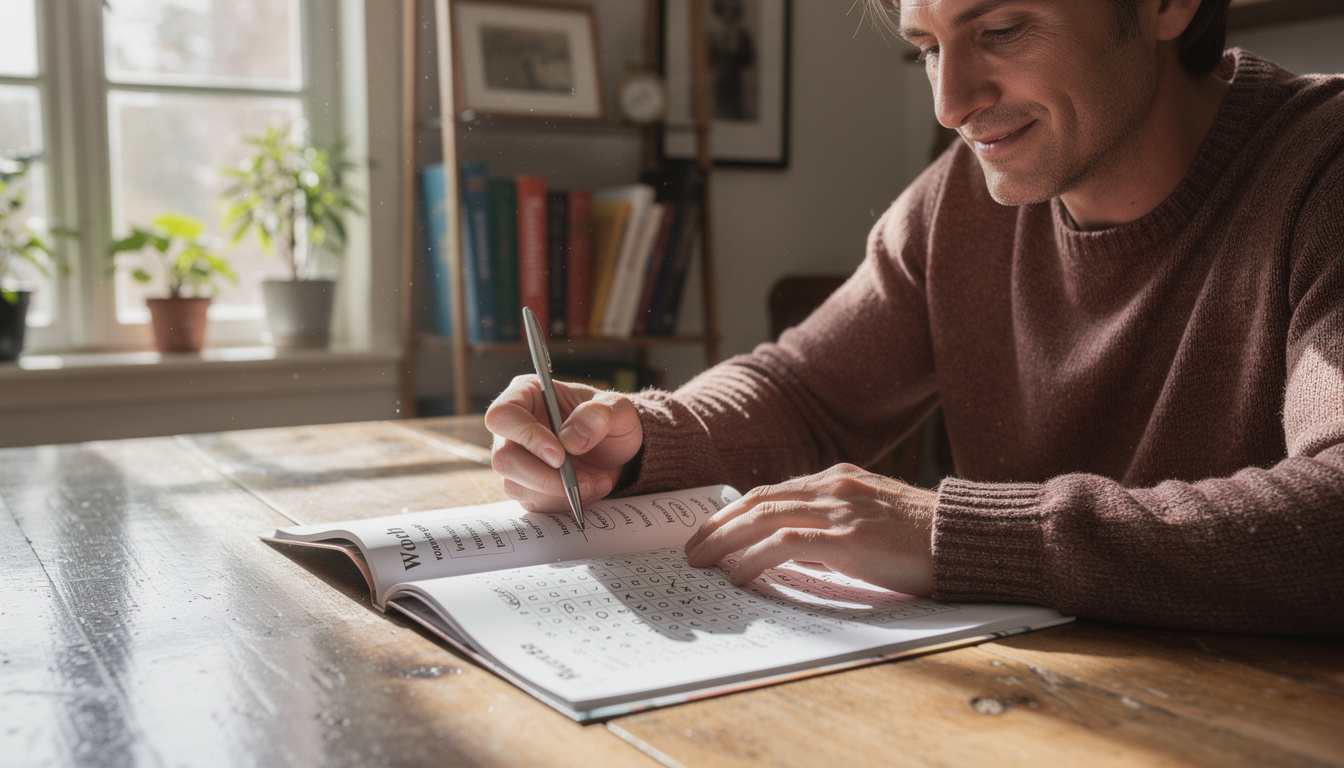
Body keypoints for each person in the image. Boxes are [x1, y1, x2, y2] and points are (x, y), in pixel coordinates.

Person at [486, 0, 1344, 636]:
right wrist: (641, 437)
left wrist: (953, 536)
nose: (950, 103)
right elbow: (806, 390)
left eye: (1001, 30)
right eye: (927, 48)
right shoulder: (963, 202)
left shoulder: (1321, 172)